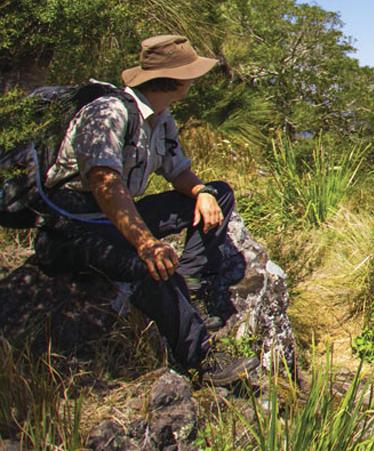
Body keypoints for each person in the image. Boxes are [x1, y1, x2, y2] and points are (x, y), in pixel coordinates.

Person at [34, 35, 257, 385]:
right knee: (150, 267)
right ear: (176, 78)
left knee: (220, 193)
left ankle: (191, 283)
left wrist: (202, 192)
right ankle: (203, 359)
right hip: (75, 223)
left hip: (114, 214)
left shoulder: (160, 118)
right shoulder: (109, 112)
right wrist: (145, 243)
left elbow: (177, 171)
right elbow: (104, 182)